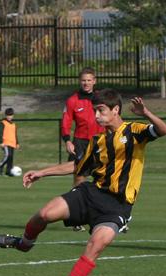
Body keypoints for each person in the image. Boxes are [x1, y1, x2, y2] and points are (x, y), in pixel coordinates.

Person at [0, 89, 166, 276]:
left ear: (115, 110)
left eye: (101, 110)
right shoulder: (98, 141)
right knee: (45, 214)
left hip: (117, 206)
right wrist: (41, 172)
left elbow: (163, 130)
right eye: (95, 110)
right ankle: (24, 243)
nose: (96, 116)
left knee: (98, 244)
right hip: (91, 193)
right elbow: (78, 167)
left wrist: (145, 112)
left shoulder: (134, 131)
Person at [61, 67, 104, 231]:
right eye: (83, 80)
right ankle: (76, 217)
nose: (86, 83)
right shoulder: (72, 100)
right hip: (80, 143)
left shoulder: (101, 98)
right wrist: (67, 141)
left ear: (94, 81)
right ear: (80, 82)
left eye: (89, 80)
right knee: (79, 180)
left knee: (105, 179)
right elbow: (66, 121)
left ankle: (109, 217)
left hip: (100, 142)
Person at [0, 107, 20, 176]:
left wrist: (17, 143)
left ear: (13, 115)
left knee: (11, 158)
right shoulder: (3, 123)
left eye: (11, 115)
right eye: (8, 115)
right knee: (7, 155)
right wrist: (1, 142)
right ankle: (0, 167)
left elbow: (15, 134)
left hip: (12, 143)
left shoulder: (14, 124)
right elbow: (0, 132)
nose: (9, 117)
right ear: (5, 115)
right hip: (5, 143)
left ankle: (8, 171)